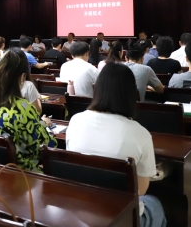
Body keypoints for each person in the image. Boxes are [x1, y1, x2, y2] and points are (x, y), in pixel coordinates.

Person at [66, 62, 167, 227]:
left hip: (82, 210)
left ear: (98, 89)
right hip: (123, 217)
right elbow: (140, 190)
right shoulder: (140, 133)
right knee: (155, 204)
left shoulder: (75, 120)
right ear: (130, 93)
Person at [0, 49, 56, 171]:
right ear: (22, 77)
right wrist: (45, 125)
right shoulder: (24, 108)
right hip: (20, 173)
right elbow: (47, 146)